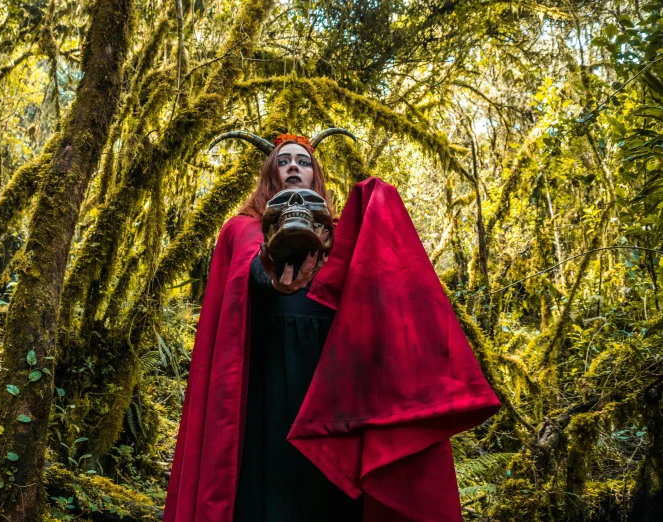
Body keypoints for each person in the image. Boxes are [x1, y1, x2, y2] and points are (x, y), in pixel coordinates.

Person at [163, 130, 501, 522]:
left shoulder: (344, 234)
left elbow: (379, 287)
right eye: (283, 161)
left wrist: (375, 203)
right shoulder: (242, 228)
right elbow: (247, 277)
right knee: (269, 494)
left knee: (331, 494)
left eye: (303, 162)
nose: (293, 166)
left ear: (316, 177)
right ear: (270, 174)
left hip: (329, 387)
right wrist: (271, 269)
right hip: (265, 386)